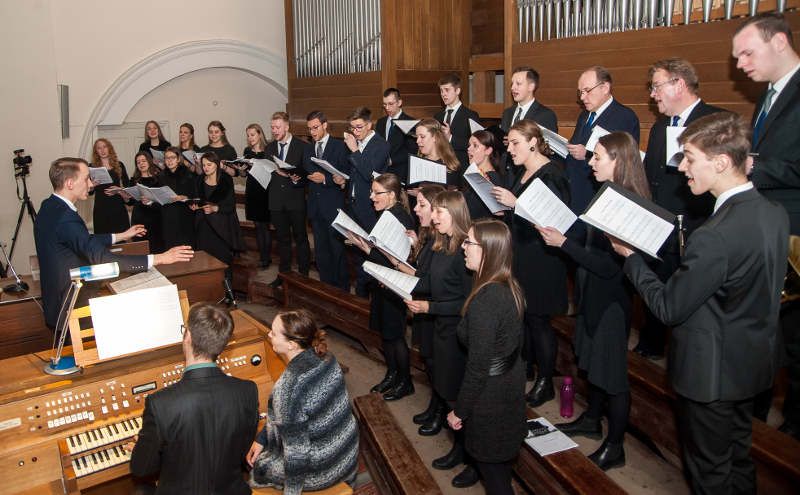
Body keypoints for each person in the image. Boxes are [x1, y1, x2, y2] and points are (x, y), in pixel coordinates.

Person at [610, 112, 788, 494]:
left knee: (709, 474)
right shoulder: (774, 214)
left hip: (711, 376)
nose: (682, 167)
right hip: (752, 366)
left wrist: (631, 258)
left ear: (721, 162)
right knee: (738, 460)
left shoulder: (714, 236)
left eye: (689, 157)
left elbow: (669, 308)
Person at [540, 132, 650, 470]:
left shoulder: (628, 202)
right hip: (591, 296)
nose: (590, 162)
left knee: (613, 378)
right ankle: (591, 419)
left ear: (618, 161)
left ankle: (615, 446)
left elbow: (609, 267)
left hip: (611, 304)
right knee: (593, 367)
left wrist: (564, 245)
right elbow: (591, 246)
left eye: (597, 157)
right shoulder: (606, 192)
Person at [733, 13, 800, 432]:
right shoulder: (770, 95)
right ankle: (755, 419)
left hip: (795, 233)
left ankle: (792, 431)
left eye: (746, 53)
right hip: (768, 228)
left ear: (778, 42)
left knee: (793, 341)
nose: (740, 64)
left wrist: (755, 165)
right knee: (764, 332)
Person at [34, 157, 193, 329]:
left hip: (55, 301)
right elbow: (102, 258)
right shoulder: (65, 217)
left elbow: (80, 240)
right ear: (70, 183)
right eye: (86, 178)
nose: (91, 184)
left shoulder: (49, 205)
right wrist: (159, 258)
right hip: (69, 306)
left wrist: (120, 236)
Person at [637, 58, 725, 360]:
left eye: (657, 86)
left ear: (679, 84)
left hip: (698, 227)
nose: (653, 94)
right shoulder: (660, 127)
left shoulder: (715, 121)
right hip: (660, 228)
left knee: (692, 303)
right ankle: (652, 344)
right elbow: (652, 177)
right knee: (657, 289)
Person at [127, 303, 258, 495]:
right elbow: (239, 451)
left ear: (187, 336)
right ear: (224, 344)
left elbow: (141, 469)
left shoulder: (160, 403)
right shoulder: (248, 391)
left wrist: (148, 446)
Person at [492, 119, 570, 407]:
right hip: (521, 254)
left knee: (539, 322)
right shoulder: (523, 172)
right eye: (508, 143)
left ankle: (545, 381)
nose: (509, 149)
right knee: (524, 318)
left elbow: (555, 221)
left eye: (515, 143)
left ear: (533, 143)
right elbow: (521, 215)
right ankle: (525, 369)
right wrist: (508, 213)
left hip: (543, 259)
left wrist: (516, 205)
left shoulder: (553, 174)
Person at [447, 218, 527, 495]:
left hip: (491, 398)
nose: (464, 248)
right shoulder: (508, 284)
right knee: (499, 472)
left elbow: (478, 366)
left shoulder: (487, 300)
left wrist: (461, 410)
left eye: (469, 242)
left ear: (488, 251)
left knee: (494, 476)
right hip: (508, 385)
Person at [248, 309, 359, 494]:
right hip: (346, 451)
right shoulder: (328, 358)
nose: (269, 335)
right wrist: (262, 438)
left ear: (291, 345)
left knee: (259, 467)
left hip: (323, 468)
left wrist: (291, 492)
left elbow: (297, 455)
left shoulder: (288, 389)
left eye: (274, 333)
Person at [406, 191, 474, 487]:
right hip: (440, 329)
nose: (433, 217)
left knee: (457, 397)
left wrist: (429, 307)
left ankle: (467, 455)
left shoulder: (465, 252)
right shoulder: (441, 243)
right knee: (447, 392)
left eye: (439, 213)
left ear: (456, 215)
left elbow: (466, 303)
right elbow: (429, 282)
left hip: (456, 332)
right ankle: (458, 447)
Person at [348, 174, 415, 400]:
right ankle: (393, 373)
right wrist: (365, 247)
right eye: (372, 192)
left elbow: (401, 258)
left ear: (392, 195)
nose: (371, 196)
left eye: (377, 193)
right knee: (386, 335)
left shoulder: (399, 218)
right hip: (381, 282)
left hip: (393, 285)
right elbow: (383, 253)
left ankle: (405, 381)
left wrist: (369, 250)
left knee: (396, 336)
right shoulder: (386, 214)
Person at [565, 66, 640, 228]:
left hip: (600, 195)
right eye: (580, 92)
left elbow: (624, 161)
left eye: (587, 91)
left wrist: (587, 154)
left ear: (605, 88)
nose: (583, 97)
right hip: (576, 191)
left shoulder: (624, 117)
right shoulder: (584, 115)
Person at [337, 106, 390, 297]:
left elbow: (370, 175)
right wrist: (343, 179)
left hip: (369, 207)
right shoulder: (356, 142)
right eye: (352, 128)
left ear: (369, 124)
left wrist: (354, 149)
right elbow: (355, 173)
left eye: (359, 127)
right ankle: (360, 295)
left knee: (371, 253)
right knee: (357, 253)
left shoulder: (381, 145)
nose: (355, 132)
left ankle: (371, 294)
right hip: (352, 204)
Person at [303, 110, 350, 290]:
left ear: (325, 125)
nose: (313, 132)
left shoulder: (339, 146)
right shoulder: (308, 148)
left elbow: (346, 174)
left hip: (334, 207)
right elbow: (307, 171)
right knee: (321, 253)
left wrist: (326, 179)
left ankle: (342, 291)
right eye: (310, 129)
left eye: (315, 128)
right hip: (315, 208)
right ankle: (326, 290)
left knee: (337, 252)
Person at [265, 112, 311, 288]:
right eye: (272, 127)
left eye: (277, 127)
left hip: (295, 199)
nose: (274, 130)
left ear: (287, 126)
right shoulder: (269, 148)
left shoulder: (302, 146)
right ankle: (283, 275)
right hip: (276, 201)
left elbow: (307, 174)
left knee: (301, 238)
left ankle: (304, 275)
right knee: (282, 239)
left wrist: (296, 179)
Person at [191, 152, 244, 293]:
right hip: (204, 227)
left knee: (223, 263)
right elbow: (198, 200)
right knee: (205, 263)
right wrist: (196, 206)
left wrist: (215, 208)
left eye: (209, 164)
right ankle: (210, 295)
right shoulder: (199, 180)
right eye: (203, 165)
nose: (206, 168)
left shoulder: (226, 179)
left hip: (221, 228)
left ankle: (228, 295)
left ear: (217, 164)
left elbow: (230, 206)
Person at [242, 123, 273, 270]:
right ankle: (263, 257)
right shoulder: (247, 151)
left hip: (265, 191)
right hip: (252, 190)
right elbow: (244, 174)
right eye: (248, 135)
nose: (250, 138)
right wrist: (241, 170)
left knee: (264, 226)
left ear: (260, 134)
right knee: (257, 226)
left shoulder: (269, 150)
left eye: (252, 135)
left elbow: (273, 171)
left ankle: (266, 258)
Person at [435, 72, 480, 170]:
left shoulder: (471, 115)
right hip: (440, 166)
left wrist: (450, 138)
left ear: (457, 91)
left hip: (461, 167)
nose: (443, 94)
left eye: (447, 90)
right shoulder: (438, 116)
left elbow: (477, 145)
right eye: (441, 91)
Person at [375, 87, 418, 184]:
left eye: (390, 104)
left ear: (399, 103)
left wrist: (391, 160)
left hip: (400, 173)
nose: (387, 108)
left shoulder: (410, 122)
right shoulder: (380, 122)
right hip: (382, 172)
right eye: (384, 104)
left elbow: (412, 151)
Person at [89, 138, 131, 235]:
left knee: (122, 240)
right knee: (103, 241)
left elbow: (127, 187)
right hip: (101, 208)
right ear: (96, 151)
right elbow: (90, 192)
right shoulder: (92, 166)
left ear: (109, 148)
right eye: (99, 148)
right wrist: (92, 185)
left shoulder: (119, 165)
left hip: (118, 206)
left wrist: (120, 190)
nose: (102, 150)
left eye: (105, 147)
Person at [500, 66, 558, 134]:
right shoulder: (507, 113)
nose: (512, 88)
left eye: (518, 84)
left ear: (531, 87)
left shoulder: (546, 115)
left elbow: (548, 144)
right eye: (512, 84)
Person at [159, 147, 197, 249]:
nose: (169, 160)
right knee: (170, 249)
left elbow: (196, 196)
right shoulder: (161, 176)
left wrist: (186, 197)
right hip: (168, 217)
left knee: (186, 249)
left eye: (172, 157)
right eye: (167, 158)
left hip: (184, 216)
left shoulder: (188, 174)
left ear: (178, 159)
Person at [127, 151, 164, 253]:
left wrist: (150, 202)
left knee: (156, 251)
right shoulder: (134, 180)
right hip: (138, 220)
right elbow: (130, 202)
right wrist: (125, 197)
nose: (141, 164)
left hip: (155, 221)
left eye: (143, 161)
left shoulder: (159, 179)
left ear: (149, 161)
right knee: (140, 251)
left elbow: (163, 203)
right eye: (138, 162)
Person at [464, 130, 504, 220]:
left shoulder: (492, 179)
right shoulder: (476, 175)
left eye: (475, 145)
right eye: (469, 145)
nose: (469, 149)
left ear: (488, 151)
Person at [415, 118, 461, 189]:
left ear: (435, 137)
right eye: (417, 137)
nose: (417, 141)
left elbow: (452, 197)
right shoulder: (416, 161)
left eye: (422, 137)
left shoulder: (450, 165)